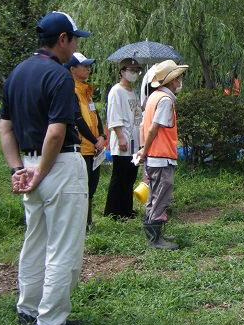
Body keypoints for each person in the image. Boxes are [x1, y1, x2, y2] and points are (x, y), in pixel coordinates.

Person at [0, 11, 90, 325]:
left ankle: (28, 307)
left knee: (35, 240)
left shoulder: (17, 74)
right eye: (74, 38)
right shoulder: (59, 75)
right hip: (60, 164)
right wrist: (43, 172)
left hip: (28, 162)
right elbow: (55, 133)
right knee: (63, 246)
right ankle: (51, 320)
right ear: (63, 39)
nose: (75, 44)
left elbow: (5, 128)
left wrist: (18, 169)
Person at [136, 60, 189, 249]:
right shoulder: (165, 100)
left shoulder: (153, 97)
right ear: (172, 81)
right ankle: (155, 239)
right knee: (161, 194)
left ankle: (154, 235)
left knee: (153, 195)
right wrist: (145, 149)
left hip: (154, 155)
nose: (180, 81)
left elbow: (144, 126)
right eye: (178, 78)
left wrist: (144, 149)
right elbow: (153, 128)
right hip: (160, 156)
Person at [63, 52, 107, 231]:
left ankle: (88, 222)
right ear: (72, 69)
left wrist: (102, 136)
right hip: (83, 148)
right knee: (82, 187)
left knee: (92, 186)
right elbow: (78, 119)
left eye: (89, 65)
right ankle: (82, 224)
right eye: (84, 66)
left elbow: (94, 116)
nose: (88, 68)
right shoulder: (71, 90)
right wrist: (94, 139)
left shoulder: (86, 90)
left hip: (94, 147)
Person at [105, 58, 143, 220]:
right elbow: (114, 116)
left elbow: (136, 113)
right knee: (120, 175)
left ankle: (127, 209)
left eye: (136, 71)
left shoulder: (133, 92)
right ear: (122, 71)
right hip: (123, 140)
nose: (134, 73)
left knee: (130, 176)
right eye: (131, 70)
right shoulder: (116, 91)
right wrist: (120, 137)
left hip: (134, 140)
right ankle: (114, 211)